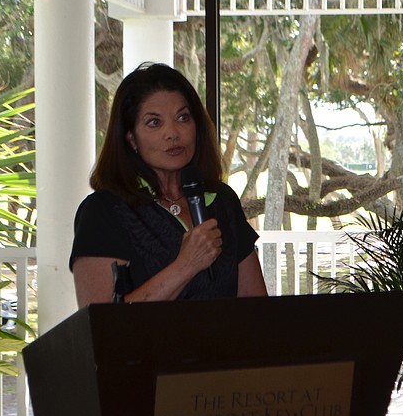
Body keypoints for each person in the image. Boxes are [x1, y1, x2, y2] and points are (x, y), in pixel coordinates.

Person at [70, 62, 268, 307]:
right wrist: (187, 264)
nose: (173, 133)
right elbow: (100, 325)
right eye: (155, 123)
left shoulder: (221, 200)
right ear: (131, 139)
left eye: (183, 117)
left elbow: (257, 306)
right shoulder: (103, 211)